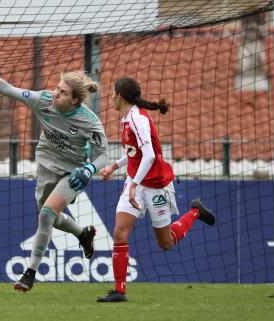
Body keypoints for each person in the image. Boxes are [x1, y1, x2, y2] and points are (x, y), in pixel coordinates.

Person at [0, 56, 109, 292]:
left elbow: (103, 156)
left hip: (73, 171)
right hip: (46, 166)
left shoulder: (90, 122)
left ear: (76, 100)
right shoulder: (43, 100)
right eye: (58, 88)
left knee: (46, 215)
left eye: (63, 93)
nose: (56, 93)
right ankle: (82, 233)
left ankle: (30, 273)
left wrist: (88, 170)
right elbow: (7, 89)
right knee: (51, 218)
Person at [96, 77, 216, 303]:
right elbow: (135, 153)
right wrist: (114, 166)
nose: (110, 96)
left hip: (156, 185)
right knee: (120, 232)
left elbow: (150, 155)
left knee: (166, 243)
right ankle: (120, 291)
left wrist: (133, 185)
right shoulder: (128, 118)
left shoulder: (138, 118)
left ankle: (196, 212)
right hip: (137, 181)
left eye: (112, 92)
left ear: (119, 96)